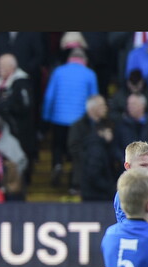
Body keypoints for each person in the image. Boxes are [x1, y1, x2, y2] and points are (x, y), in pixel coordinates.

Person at [42, 47, 98, 188]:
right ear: (84, 60)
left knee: (58, 146)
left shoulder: (58, 72)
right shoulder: (90, 74)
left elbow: (49, 96)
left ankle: (57, 165)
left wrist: (46, 116)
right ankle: (75, 182)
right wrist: (93, 121)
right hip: (79, 120)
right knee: (77, 151)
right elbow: (94, 99)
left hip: (58, 117)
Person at [0, 53, 37, 187]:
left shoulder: (21, 82)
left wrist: (6, 105)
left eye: (2, 66)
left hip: (20, 130)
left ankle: (23, 182)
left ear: (12, 67)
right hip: (3, 130)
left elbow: (26, 106)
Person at [68, 94, 111, 199]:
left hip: (105, 178)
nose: (105, 108)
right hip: (83, 177)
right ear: (92, 108)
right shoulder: (77, 126)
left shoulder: (108, 125)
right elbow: (73, 148)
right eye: (102, 105)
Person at [112, 92, 148, 169]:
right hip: (128, 171)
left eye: (133, 104)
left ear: (143, 106)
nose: (130, 107)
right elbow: (115, 148)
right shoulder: (121, 126)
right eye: (129, 104)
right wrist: (128, 160)